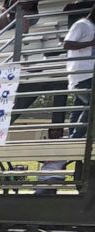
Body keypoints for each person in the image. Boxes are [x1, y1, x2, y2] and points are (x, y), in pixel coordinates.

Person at [64, 5, 95, 138]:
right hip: (81, 74)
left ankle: (72, 139)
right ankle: (76, 137)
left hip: (90, 73)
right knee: (92, 105)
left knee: (81, 107)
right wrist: (90, 43)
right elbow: (67, 44)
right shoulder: (82, 24)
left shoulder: (92, 27)